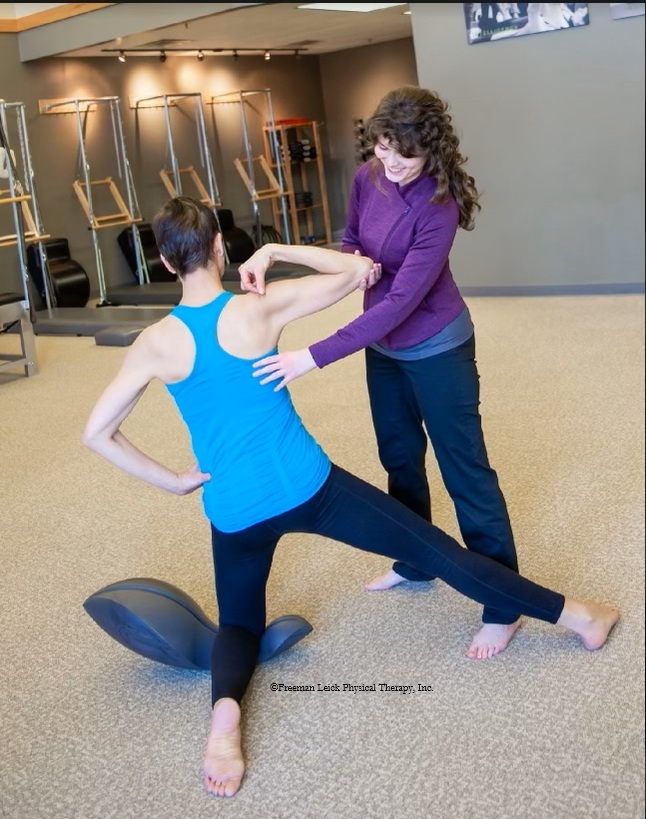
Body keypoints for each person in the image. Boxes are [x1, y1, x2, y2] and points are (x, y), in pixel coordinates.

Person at [82, 196, 618, 799]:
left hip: (233, 509)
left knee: (238, 623)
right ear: (218, 248)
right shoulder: (260, 308)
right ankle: (579, 615)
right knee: (441, 553)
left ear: (162, 259)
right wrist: (278, 250)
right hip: (308, 486)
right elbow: (356, 268)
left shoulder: (154, 343)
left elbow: (96, 433)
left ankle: (223, 724)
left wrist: (174, 481)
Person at [243, 85, 523, 660]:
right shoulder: (369, 176)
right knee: (399, 458)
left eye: (405, 155)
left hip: (437, 345)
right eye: (383, 147)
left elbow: (402, 303)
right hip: (386, 349)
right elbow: (350, 241)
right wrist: (356, 269)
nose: (391, 163)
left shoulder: (438, 205)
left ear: (432, 153)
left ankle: (504, 604)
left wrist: (309, 356)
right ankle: (416, 562)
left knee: (463, 468)